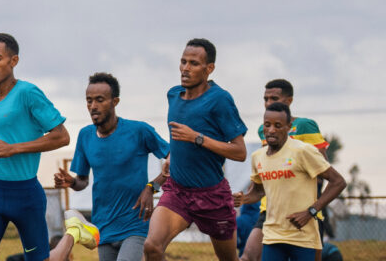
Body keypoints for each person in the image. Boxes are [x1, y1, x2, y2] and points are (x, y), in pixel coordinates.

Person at [0, 33, 94, 261]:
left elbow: (62, 136)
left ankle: (73, 232)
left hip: (26, 195)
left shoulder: (28, 93)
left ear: (14, 61)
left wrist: (13, 148)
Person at [143, 38, 248, 261]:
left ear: (209, 69)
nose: (186, 68)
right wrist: (173, 155)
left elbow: (240, 152)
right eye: (183, 62)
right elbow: (177, 138)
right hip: (177, 191)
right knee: (152, 247)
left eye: (194, 63)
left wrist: (197, 138)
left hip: (212, 196)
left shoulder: (220, 100)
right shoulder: (173, 95)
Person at [54, 72, 170, 261]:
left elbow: (174, 159)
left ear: (115, 101)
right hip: (104, 226)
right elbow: (82, 181)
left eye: (99, 100)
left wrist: (152, 187)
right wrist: (71, 181)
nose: (93, 106)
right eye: (89, 100)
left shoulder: (139, 131)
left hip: (135, 224)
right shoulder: (85, 136)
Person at [234, 103, 346, 261]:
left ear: (288, 127)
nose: (271, 130)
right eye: (267, 125)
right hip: (272, 237)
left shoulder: (303, 151)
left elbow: (338, 182)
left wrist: (311, 211)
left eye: (278, 125)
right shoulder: (257, 157)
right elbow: (259, 191)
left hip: (303, 237)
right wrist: (243, 198)